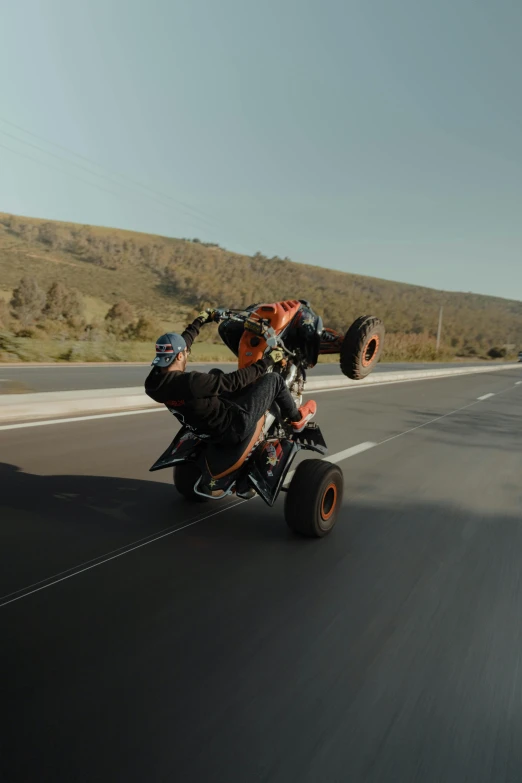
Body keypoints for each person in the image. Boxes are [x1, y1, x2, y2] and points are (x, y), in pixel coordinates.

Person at [144, 310, 317, 445]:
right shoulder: (191, 382)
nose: (187, 354)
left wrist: (200, 321)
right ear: (180, 356)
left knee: (215, 374)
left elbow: (181, 345)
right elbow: (234, 382)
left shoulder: (153, 384)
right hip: (233, 429)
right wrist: (268, 361)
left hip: (203, 429)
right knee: (274, 379)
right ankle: (296, 419)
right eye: (185, 352)